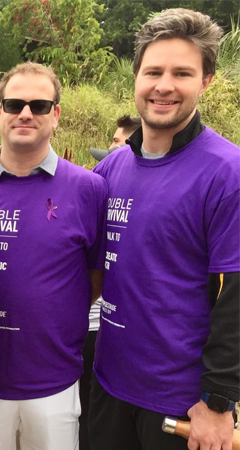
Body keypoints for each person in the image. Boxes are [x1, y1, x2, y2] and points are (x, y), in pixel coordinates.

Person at [89, 9, 239, 450]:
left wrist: (219, 401)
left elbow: (236, 299)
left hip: (181, 405)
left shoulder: (227, 173)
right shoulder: (112, 166)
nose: (164, 85)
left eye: (182, 73)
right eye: (153, 71)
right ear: (135, 76)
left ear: (206, 81)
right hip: (108, 384)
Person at [0, 62, 107, 450]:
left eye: (39, 105)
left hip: (54, 382)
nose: (25, 113)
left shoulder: (89, 189)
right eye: (14, 104)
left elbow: (94, 279)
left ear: (55, 115)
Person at [79, 113, 140, 450]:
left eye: (116, 144)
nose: (110, 151)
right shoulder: (103, 182)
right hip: (102, 344)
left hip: (101, 331)